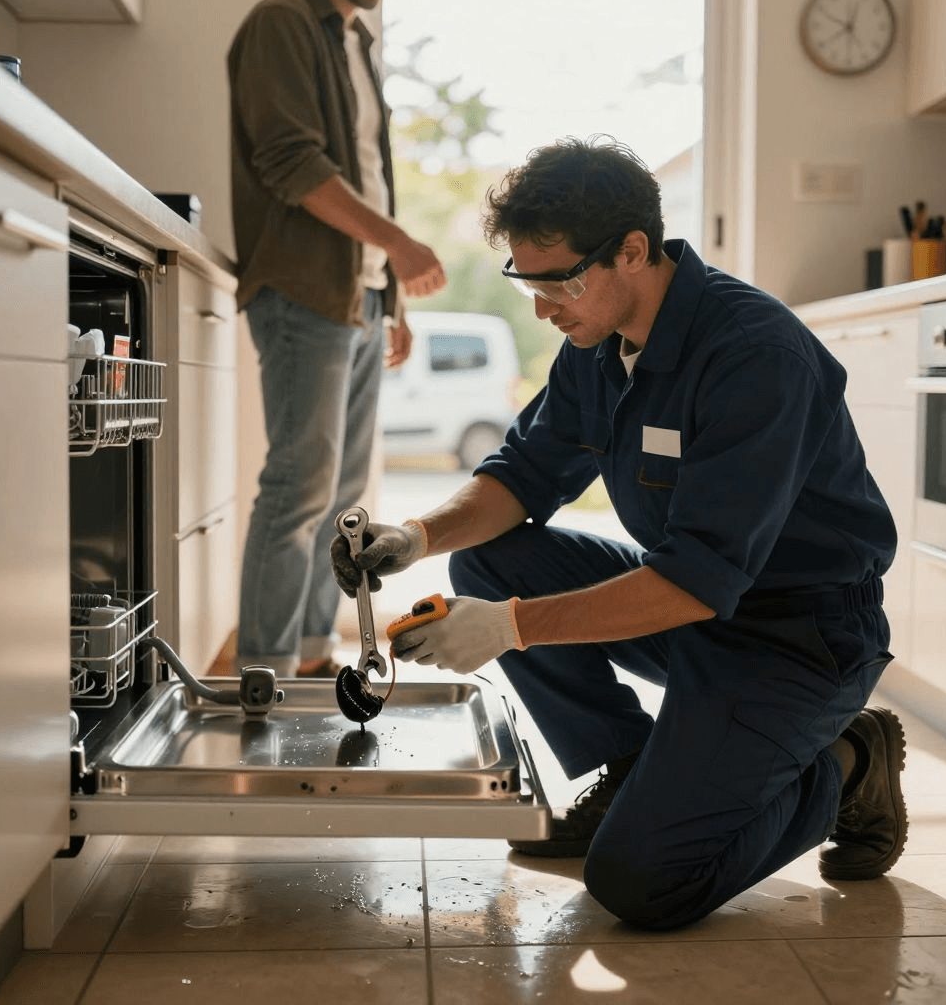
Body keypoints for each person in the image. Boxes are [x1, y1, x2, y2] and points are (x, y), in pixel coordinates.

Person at [331, 135, 908, 931]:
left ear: (633, 251)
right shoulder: (596, 343)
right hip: (697, 611)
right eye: (525, 282)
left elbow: (697, 579)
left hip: (799, 639)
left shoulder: (755, 357)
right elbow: (523, 474)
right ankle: (633, 765)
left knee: (642, 882)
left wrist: (509, 629)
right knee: (494, 558)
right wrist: (415, 538)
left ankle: (854, 760)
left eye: (557, 282)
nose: (541, 308)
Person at [228, 0, 445, 679]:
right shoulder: (281, 23)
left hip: (359, 296)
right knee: (299, 486)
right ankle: (262, 672)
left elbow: (368, 173)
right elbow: (293, 164)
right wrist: (403, 247)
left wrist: (391, 295)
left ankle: (316, 657)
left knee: (343, 498)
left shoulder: (354, 38)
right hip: (303, 289)